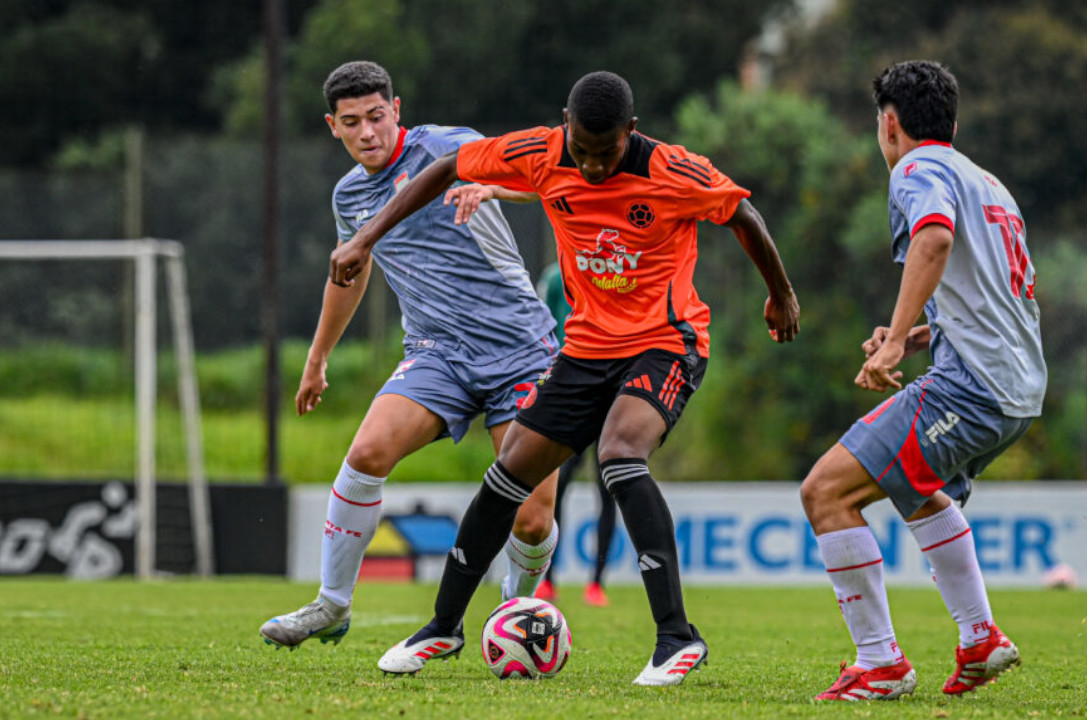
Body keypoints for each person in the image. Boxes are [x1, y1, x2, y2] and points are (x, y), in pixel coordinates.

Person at [331, 70, 801, 685]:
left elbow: (743, 215)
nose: (594, 166)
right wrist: (366, 237)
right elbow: (447, 169)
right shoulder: (541, 150)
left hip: (665, 343)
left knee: (619, 454)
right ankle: (443, 628)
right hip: (584, 348)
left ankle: (677, 638)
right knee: (508, 477)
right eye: (581, 150)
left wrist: (781, 295)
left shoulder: (673, 170)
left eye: (606, 154)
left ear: (630, 133)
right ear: (565, 126)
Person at [258, 60, 562, 653]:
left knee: (530, 517)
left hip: (521, 351)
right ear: (333, 127)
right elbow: (350, 270)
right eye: (353, 123)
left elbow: (548, 173)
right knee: (367, 451)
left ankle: (514, 613)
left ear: (396, 110)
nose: (368, 132)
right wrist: (318, 357)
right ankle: (332, 603)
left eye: (377, 116)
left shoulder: (449, 147)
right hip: (437, 354)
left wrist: (493, 185)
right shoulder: (349, 194)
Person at [800, 60, 1046, 702]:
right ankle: (980, 637)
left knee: (825, 492)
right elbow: (993, 297)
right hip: (1016, 390)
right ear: (954, 122)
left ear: (889, 124)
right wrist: (911, 337)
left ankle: (880, 664)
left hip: (972, 387)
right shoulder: (987, 182)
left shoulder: (917, 168)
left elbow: (934, 240)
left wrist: (888, 340)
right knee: (914, 487)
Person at [533, 261, 616, 608]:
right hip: (572, 391)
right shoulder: (554, 276)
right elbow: (540, 326)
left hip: (611, 393)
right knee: (558, 485)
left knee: (609, 487)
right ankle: (548, 579)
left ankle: (596, 583)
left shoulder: (614, 273)